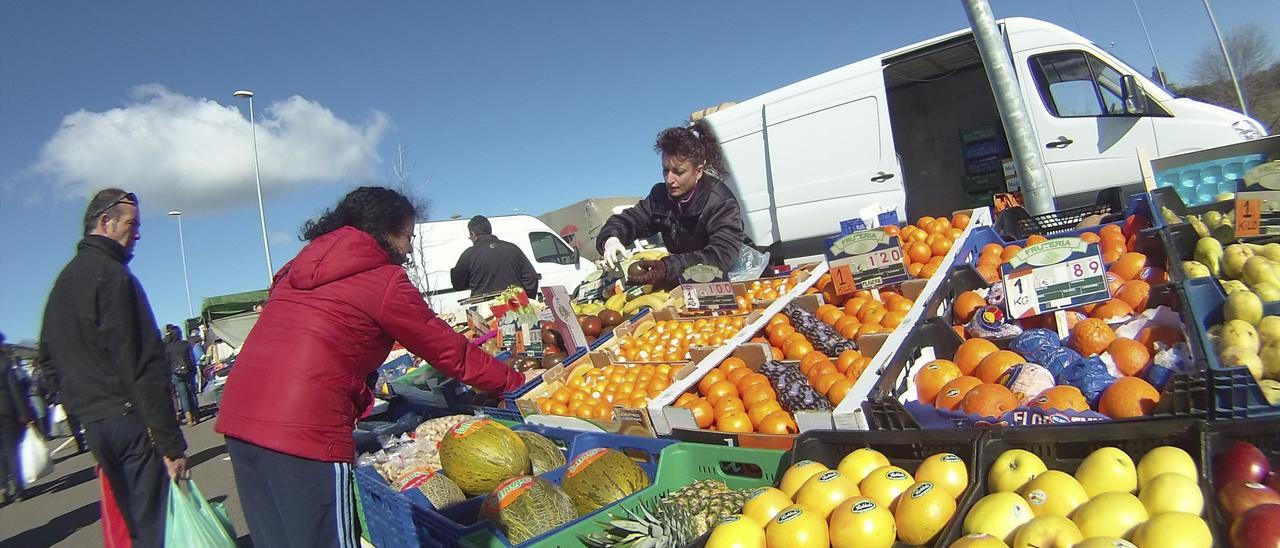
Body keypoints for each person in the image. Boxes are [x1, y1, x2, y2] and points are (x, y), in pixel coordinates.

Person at [217, 187, 526, 548]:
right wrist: (513, 381)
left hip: (240, 417)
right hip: (303, 425)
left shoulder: (296, 268)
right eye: (408, 236)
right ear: (385, 230)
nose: (410, 247)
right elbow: (447, 349)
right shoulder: (382, 278)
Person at [38, 189, 188, 548]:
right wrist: (171, 444)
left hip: (96, 426)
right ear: (105, 222)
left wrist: (79, 406)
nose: (137, 233)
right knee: (155, 524)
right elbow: (142, 365)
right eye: (132, 224)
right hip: (130, 420)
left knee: (133, 523)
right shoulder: (115, 277)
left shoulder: (63, 283)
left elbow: (47, 360)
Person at [597, 119, 746, 286]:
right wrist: (611, 238)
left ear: (698, 171)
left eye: (678, 172)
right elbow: (630, 220)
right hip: (685, 282)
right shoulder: (660, 197)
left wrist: (667, 268)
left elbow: (721, 256)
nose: (669, 180)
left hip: (726, 282)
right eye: (665, 170)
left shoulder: (721, 202)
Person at [450, 215, 539, 297]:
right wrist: (526, 299)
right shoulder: (513, 249)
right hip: (514, 305)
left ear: (473, 234)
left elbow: (458, 284)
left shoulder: (469, 254)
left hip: (484, 310)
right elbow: (532, 278)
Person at [0, 333, 35, 505]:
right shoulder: (5, 364)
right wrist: (25, 414)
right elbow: (15, 391)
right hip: (6, 412)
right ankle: (18, 487)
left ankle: (2, 487)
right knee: (12, 451)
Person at [163, 325, 199, 426]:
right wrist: (194, 368)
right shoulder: (185, 344)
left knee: (183, 395)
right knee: (192, 393)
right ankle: (196, 414)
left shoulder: (168, 347)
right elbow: (192, 358)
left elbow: (167, 362)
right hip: (188, 371)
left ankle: (189, 419)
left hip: (176, 372)